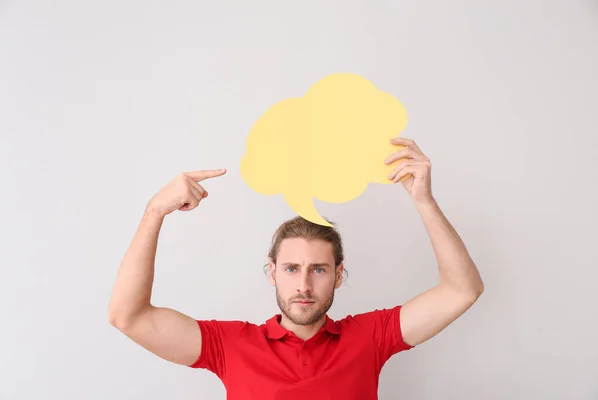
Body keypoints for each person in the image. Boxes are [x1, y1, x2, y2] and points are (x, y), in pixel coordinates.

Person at [108, 137, 484, 399]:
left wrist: (425, 201)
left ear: (338, 274)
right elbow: (128, 317)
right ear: (272, 273)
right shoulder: (231, 346)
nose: (303, 284)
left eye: (318, 270)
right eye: (291, 269)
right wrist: (154, 211)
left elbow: (462, 290)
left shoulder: (370, 337)